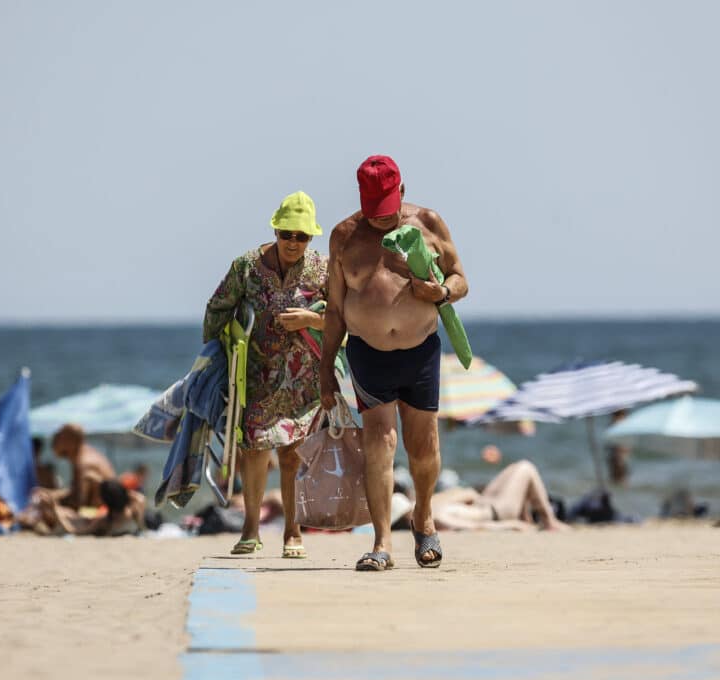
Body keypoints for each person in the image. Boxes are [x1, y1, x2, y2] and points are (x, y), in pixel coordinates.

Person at [320, 155, 469, 571]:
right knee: (379, 442)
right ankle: (381, 543)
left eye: (386, 210)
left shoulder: (429, 223)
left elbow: (460, 279)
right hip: (367, 353)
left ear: (401, 191)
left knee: (423, 447)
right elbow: (335, 310)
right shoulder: (344, 236)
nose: (380, 219)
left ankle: (424, 517)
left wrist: (441, 293)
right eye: (373, 211)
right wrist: (325, 370)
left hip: (420, 351)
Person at [202, 191, 328, 559]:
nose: (293, 242)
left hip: (304, 378)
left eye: (301, 236)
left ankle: (293, 531)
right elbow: (218, 308)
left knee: (293, 455)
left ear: (311, 237)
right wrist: (215, 359)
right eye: (287, 234)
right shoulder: (246, 266)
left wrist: (311, 319)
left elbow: (344, 316)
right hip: (256, 375)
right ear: (275, 230)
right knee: (253, 449)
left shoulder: (322, 269)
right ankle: (251, 528)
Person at [431, 460, 570, 532]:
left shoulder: (430, 506)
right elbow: (473, 526)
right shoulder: (434, 516)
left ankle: (527, 518)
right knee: (525, 467)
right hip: (497, 513)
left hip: (485, 503)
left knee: (514, 467)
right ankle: (550, 522)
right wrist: (507, 525)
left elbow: (469, 494)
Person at [51, 423, 116, 510]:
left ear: (71, 441)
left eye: (60, 437)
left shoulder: (85, 463)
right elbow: (75, 490)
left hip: (101, 512)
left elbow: (79, 502)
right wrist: (52, 495)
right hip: (100, 509)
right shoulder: (83, 453)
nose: (55, 439)